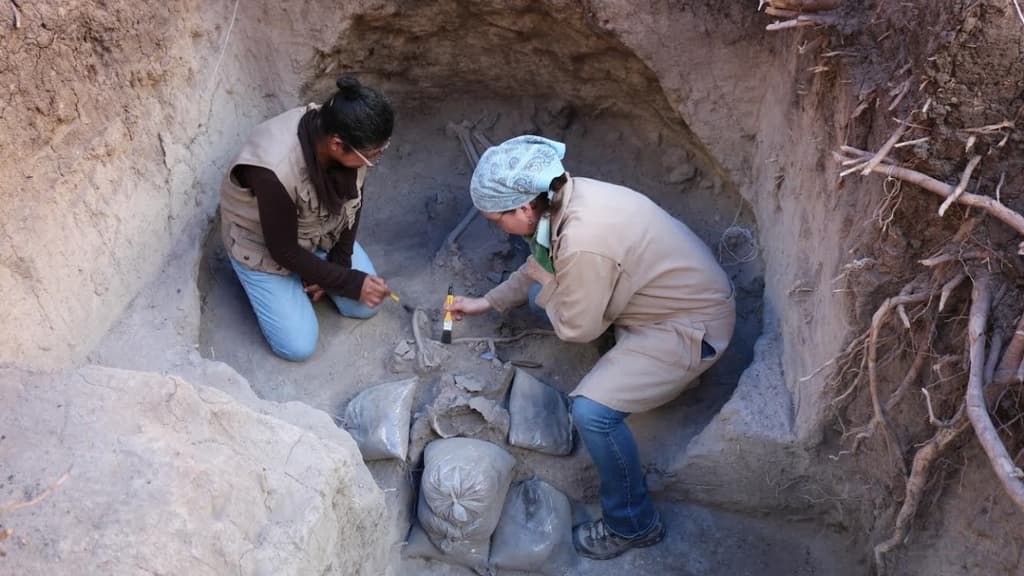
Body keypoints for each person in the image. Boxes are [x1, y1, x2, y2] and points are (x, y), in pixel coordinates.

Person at [446, 135, 736, 560]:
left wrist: (549, 287)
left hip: (689, 328)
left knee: (591, 414)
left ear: (524, 208)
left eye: (496, 219)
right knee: (537, 296)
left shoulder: (582, 242)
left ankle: (634, 525)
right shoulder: (562, 197)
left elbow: (576, 328)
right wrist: (488, 301)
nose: (498, 227)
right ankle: (642, 372)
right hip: (663, 298)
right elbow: (540, 266)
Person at [219, 76, 395, 361]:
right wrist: (347, 281)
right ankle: (254, 278)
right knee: (298, 346)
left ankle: (311, 274)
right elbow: (282, 250)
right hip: (263, 246)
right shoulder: (274, 170)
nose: (374, 160)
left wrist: (339, 263)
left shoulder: (346, 133)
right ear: (337, 145)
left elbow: (355, 200)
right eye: (373, 155)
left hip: (317, 229)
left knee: (366, 306)